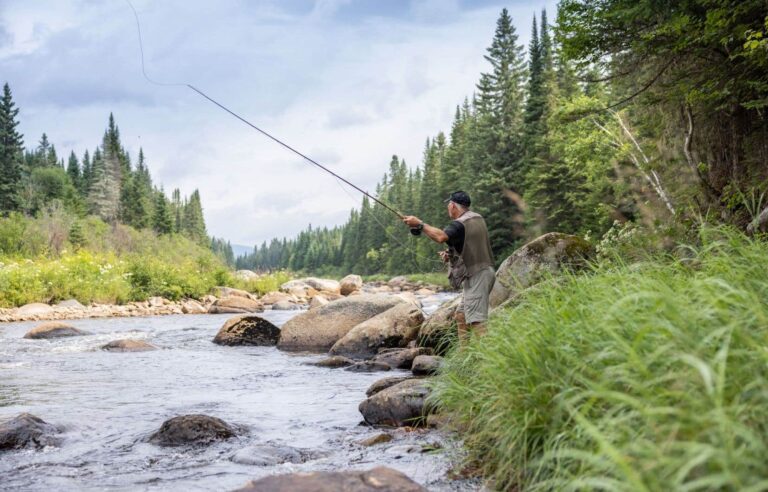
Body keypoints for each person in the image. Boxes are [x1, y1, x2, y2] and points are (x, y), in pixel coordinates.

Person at [402, 191, 495, 342]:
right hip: (483, 272)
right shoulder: (477, 218)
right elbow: (469, 243)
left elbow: (441, 237)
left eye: (448, 205)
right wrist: (450, 254)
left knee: (477, 321)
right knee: (461, 315)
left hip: (478, 274)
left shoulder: (460, 223)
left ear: (452, 206)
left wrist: (420, 224)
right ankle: (465, 356)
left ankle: (486, 361)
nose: (447, 208)